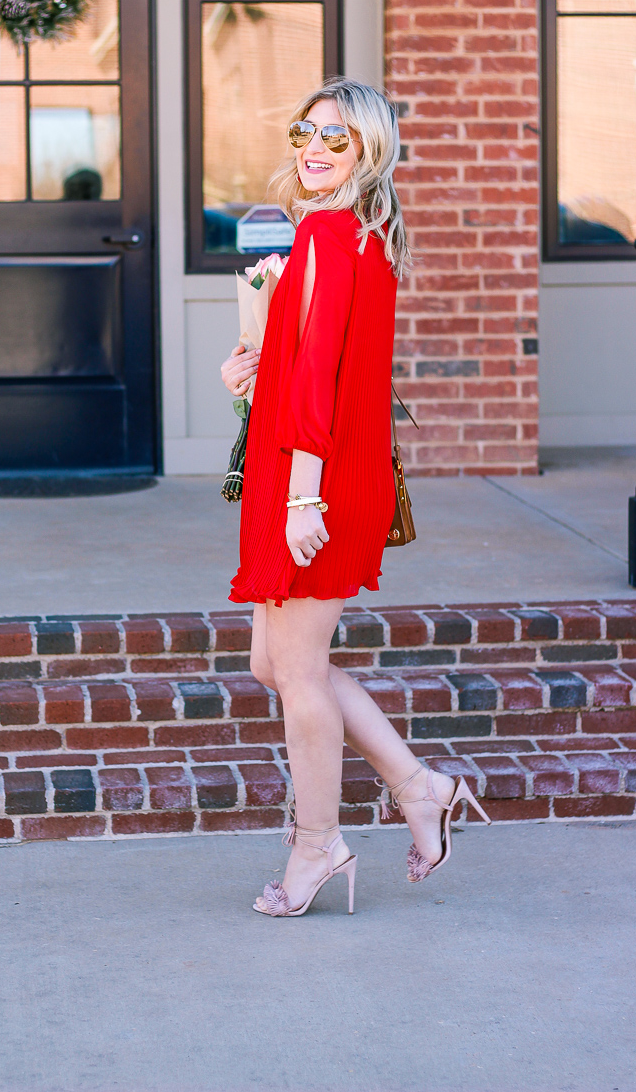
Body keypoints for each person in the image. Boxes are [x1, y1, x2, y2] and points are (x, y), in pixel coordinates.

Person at [220, 78, 490, 918]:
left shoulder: (335, 235)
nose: (314, 148)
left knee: (295, 671)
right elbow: (304, 369)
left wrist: (303, 501)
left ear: (370, 151)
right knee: (274, 661)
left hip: (317, 477)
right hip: (309, 466)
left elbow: (318, 389)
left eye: (337, 138)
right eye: (307, 130)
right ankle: (420, 788)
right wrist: (243, 381)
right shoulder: (344, 235)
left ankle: (319, 845)